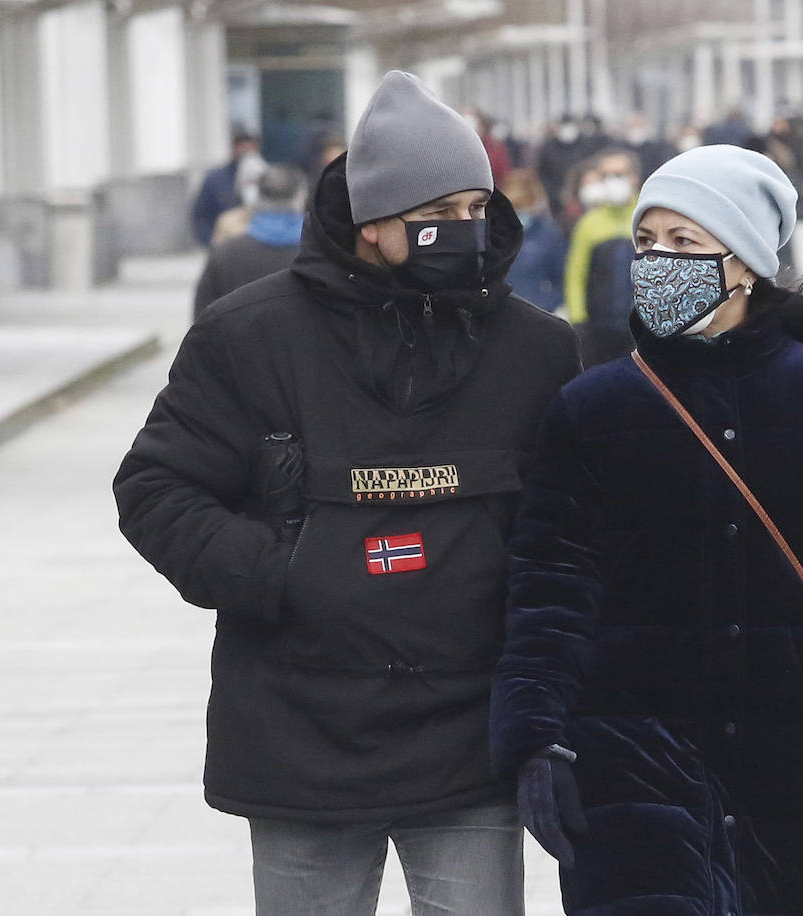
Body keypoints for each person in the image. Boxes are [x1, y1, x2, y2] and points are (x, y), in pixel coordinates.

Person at [113, 71, 581, 915]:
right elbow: (155, 487)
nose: (466, 232)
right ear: (372, 224)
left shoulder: (536, 350)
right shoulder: (248, 337)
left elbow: (572, 525)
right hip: (302, 733)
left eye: (478, 210)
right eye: (442, 214)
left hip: (469, 733)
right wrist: (282, 574)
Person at [491, 145, 803, 915]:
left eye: (684, 242)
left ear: (743, 261)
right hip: (637, 765)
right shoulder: (595, 408)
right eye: (647, 243)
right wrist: (535, 736)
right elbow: (550, 586)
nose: (656, 261)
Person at [193, 164, 307, 317]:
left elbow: (202, 319)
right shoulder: (318, 252)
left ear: (258, 198)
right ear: (300, 198)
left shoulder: (225, 254)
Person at [563, 148, 641, 365]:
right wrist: (578, 321)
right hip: (598, 330)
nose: (612, 181)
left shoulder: (645, 216)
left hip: (638, 330)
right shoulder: (590, 222)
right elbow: (575, 274)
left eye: (618, 174)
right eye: (606, 176)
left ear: (633, 177)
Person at [501, 168, 567, 313]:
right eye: (516, 207)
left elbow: (561, 276)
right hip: (503, 313)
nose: (520, 212)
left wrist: (551, 304)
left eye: (525, 206)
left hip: (541, 310)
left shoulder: (549, 233)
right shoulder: (496, 235)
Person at [190, 129, 260, 247]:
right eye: (241, 145)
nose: (246, 150)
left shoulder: (267, 176)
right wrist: (211, 242)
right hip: (225, 245)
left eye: (250, 145)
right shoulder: (215, 179)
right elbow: (200, 216)